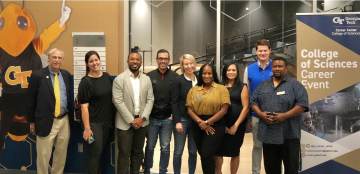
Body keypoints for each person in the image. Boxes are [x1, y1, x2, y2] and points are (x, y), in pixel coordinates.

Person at [251, 57, 309, 174]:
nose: (277, 69)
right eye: (275, 66)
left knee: (291, 169)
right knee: (271, 169)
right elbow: (253, 102)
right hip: (268, 135)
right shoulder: (263, 85)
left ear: (286, 69)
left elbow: (302, 105)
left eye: (280, 66)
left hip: (289, 135)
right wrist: (261, 114)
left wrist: (285, 115)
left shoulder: (295, 85)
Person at [28, 48, 73, 174]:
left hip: (64, 120)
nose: (57, 60)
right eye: (54, 57)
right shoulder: (37, 75)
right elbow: (30, 100)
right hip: (46, 120)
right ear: (48, 59)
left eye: (59, 58)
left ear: (62, 60)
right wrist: (32, 121)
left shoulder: (66, 75)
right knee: (43, 155)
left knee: (61, 153)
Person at [113, 50, 154, 174]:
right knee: (124, 155)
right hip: (125, 124)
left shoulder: (147, 79)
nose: (135, 61)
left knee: (138, 153)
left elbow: (150, 99)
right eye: (132, 59)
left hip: (142, 123)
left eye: (137, 59)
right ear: (127, 61)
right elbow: (118, 102)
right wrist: (132, 120)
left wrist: (143, 118)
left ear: (141, 62)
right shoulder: (119, 79)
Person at [186, 63, 230, 174]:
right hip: (197, 125)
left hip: (216, 124)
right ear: (200, 75)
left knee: (206, 153)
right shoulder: (194, 90)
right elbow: (189, 109)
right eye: (204, 73)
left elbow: (224, 110)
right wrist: (201, 122)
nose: (207, 76)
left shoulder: (221, 89)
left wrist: (208, 122)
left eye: (209, 73)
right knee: (204, 156)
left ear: (213, 74)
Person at [77, 51, 115, 174]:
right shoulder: (85, 82)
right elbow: (84, 108)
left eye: (96, 60)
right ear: (87, 64)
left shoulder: (107, 77)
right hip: (93, 125)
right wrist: (87, 128)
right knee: (94, 154)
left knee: (101, 153)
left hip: (107, 124)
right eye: (91, 61)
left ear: (100, 60)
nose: (94, 63)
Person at [144, 49, 178, 174]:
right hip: (152, 119)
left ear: (168, 60)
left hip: (167, 120)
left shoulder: (175, 77)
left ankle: (163, 171)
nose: (163, 61)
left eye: (165, 58)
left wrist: (174, 116)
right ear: (157, 60)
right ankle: (147, 169)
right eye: (160, 58)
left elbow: (177, 99)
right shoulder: (149, 76)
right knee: (150, 146)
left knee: (165, 148)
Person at [243, 39, 273, 174]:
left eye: (265, 50)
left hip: (275, 115)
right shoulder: (249, 69)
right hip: (256, 114)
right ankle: (256, 172)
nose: (262, 53)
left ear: (270, 51)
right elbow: (246, 93)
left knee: (273, 146)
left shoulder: (277, 66)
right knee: (257, 145)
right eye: (260, 50)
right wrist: (248, 115)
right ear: (256, 52)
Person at [215, 63, 249, 174]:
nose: (231, 72)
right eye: (228, 70)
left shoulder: (243, 86)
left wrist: (235, 125)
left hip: (237, 125)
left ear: (237, 72)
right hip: (221, 124)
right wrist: (222, 125)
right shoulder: (219, 86)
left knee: (235, 152)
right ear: (225, 72)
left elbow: (245, 108)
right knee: (218, 151)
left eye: (233, 70)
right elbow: (215, 106)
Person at [172, 54, 198, 174]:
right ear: (182, 66)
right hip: (182, 120)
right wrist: (177, 121)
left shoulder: (199, 79)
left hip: (196, 121)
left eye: (190, 63)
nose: (189, 66)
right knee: (178, 151)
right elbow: (174, 102)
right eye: (186, 64)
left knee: (193, 151)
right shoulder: (178, 80)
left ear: (194, 64)